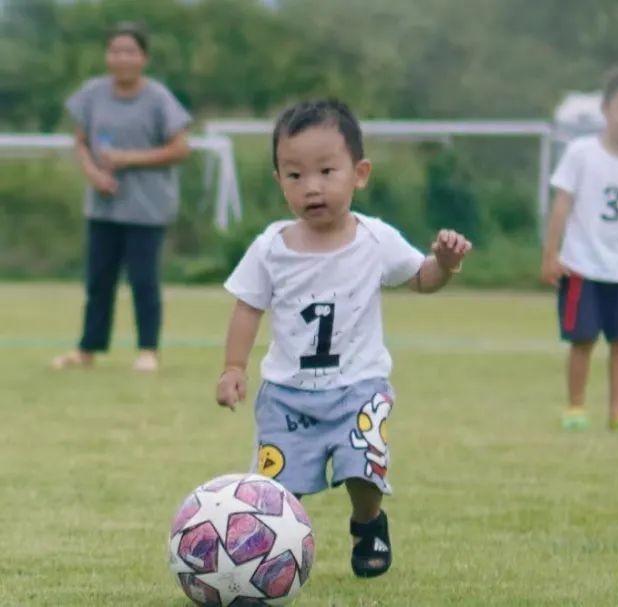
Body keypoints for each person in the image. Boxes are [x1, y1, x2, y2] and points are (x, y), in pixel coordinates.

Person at [215, 99, 471, 577]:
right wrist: (233, 368)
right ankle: (273, 556)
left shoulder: (375, 239)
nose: (312, 187)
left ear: (360, 173)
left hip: (358, 386)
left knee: (363, 466)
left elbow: (421, 277)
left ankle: (368, 522)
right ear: (279, 182)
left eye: (327, 171)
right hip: (287, 395)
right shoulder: (270, 247)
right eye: (294, 176)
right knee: (276, 490)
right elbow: (248, 307)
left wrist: (445, 264)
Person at [51, 21, 192, 373]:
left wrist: (130, 158)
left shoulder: (158, 98)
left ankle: (148, 350)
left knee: (143, 280)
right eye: (115, 50)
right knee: (98, 281)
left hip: (146, 208)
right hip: (103, 205)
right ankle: (87, 349)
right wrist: (93, 173)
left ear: (143, 57)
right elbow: (81, 141)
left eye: (130, 51)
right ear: (106, 55)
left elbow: (180, 147)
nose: (122, 58)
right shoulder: (92, 93)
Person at [540, 63, 618, 432]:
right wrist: (551, 254)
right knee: (582, 339)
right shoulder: (581, 153)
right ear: (607, 109)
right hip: (582, 266)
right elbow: (562, 205)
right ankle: (576, 407)